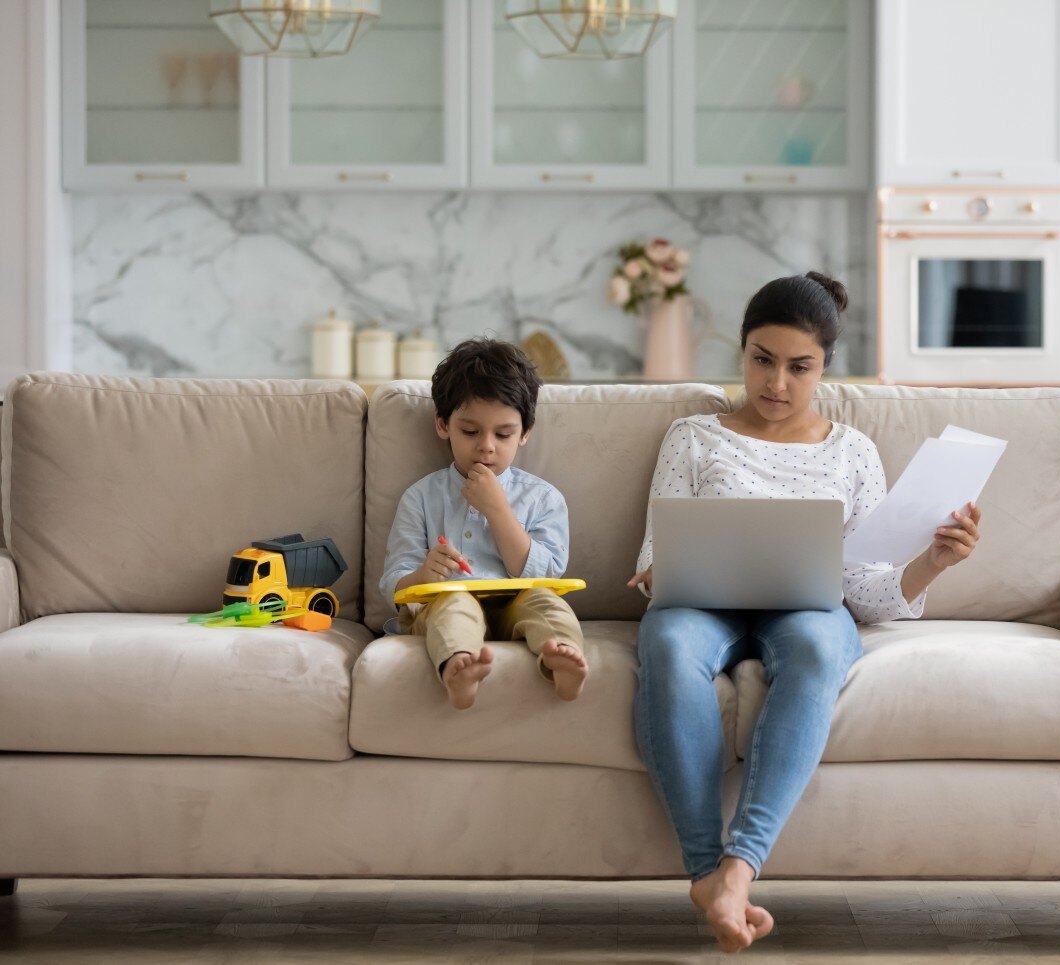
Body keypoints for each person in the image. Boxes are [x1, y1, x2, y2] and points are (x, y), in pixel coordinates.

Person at [627, 272, 983, 952]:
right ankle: (706, 870)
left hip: (809, 608)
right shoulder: (692, 436)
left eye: (800, 366)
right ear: (741, 350)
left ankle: (741, 865)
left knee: (821, 650)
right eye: (763, 359)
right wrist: (658, 570)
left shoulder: (852, 451)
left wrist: (933, 561)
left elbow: (869, 589)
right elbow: (653, 549)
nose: (777, 383)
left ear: (825, 365)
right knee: (669, 647)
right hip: (702, 604)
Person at [380, 337, 588, 709]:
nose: (487, 446)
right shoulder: (421, 497)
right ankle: (458, 668)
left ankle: (561, 658)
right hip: (446, 601)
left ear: (525, 433)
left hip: (516, 602)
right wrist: (424, 574)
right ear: (443, 426)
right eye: (471, 432)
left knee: (544, 602)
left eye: (503, 434)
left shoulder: (543, 498)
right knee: (455, 605)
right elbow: (395, 583)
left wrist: (498, 511)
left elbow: (548, 571)